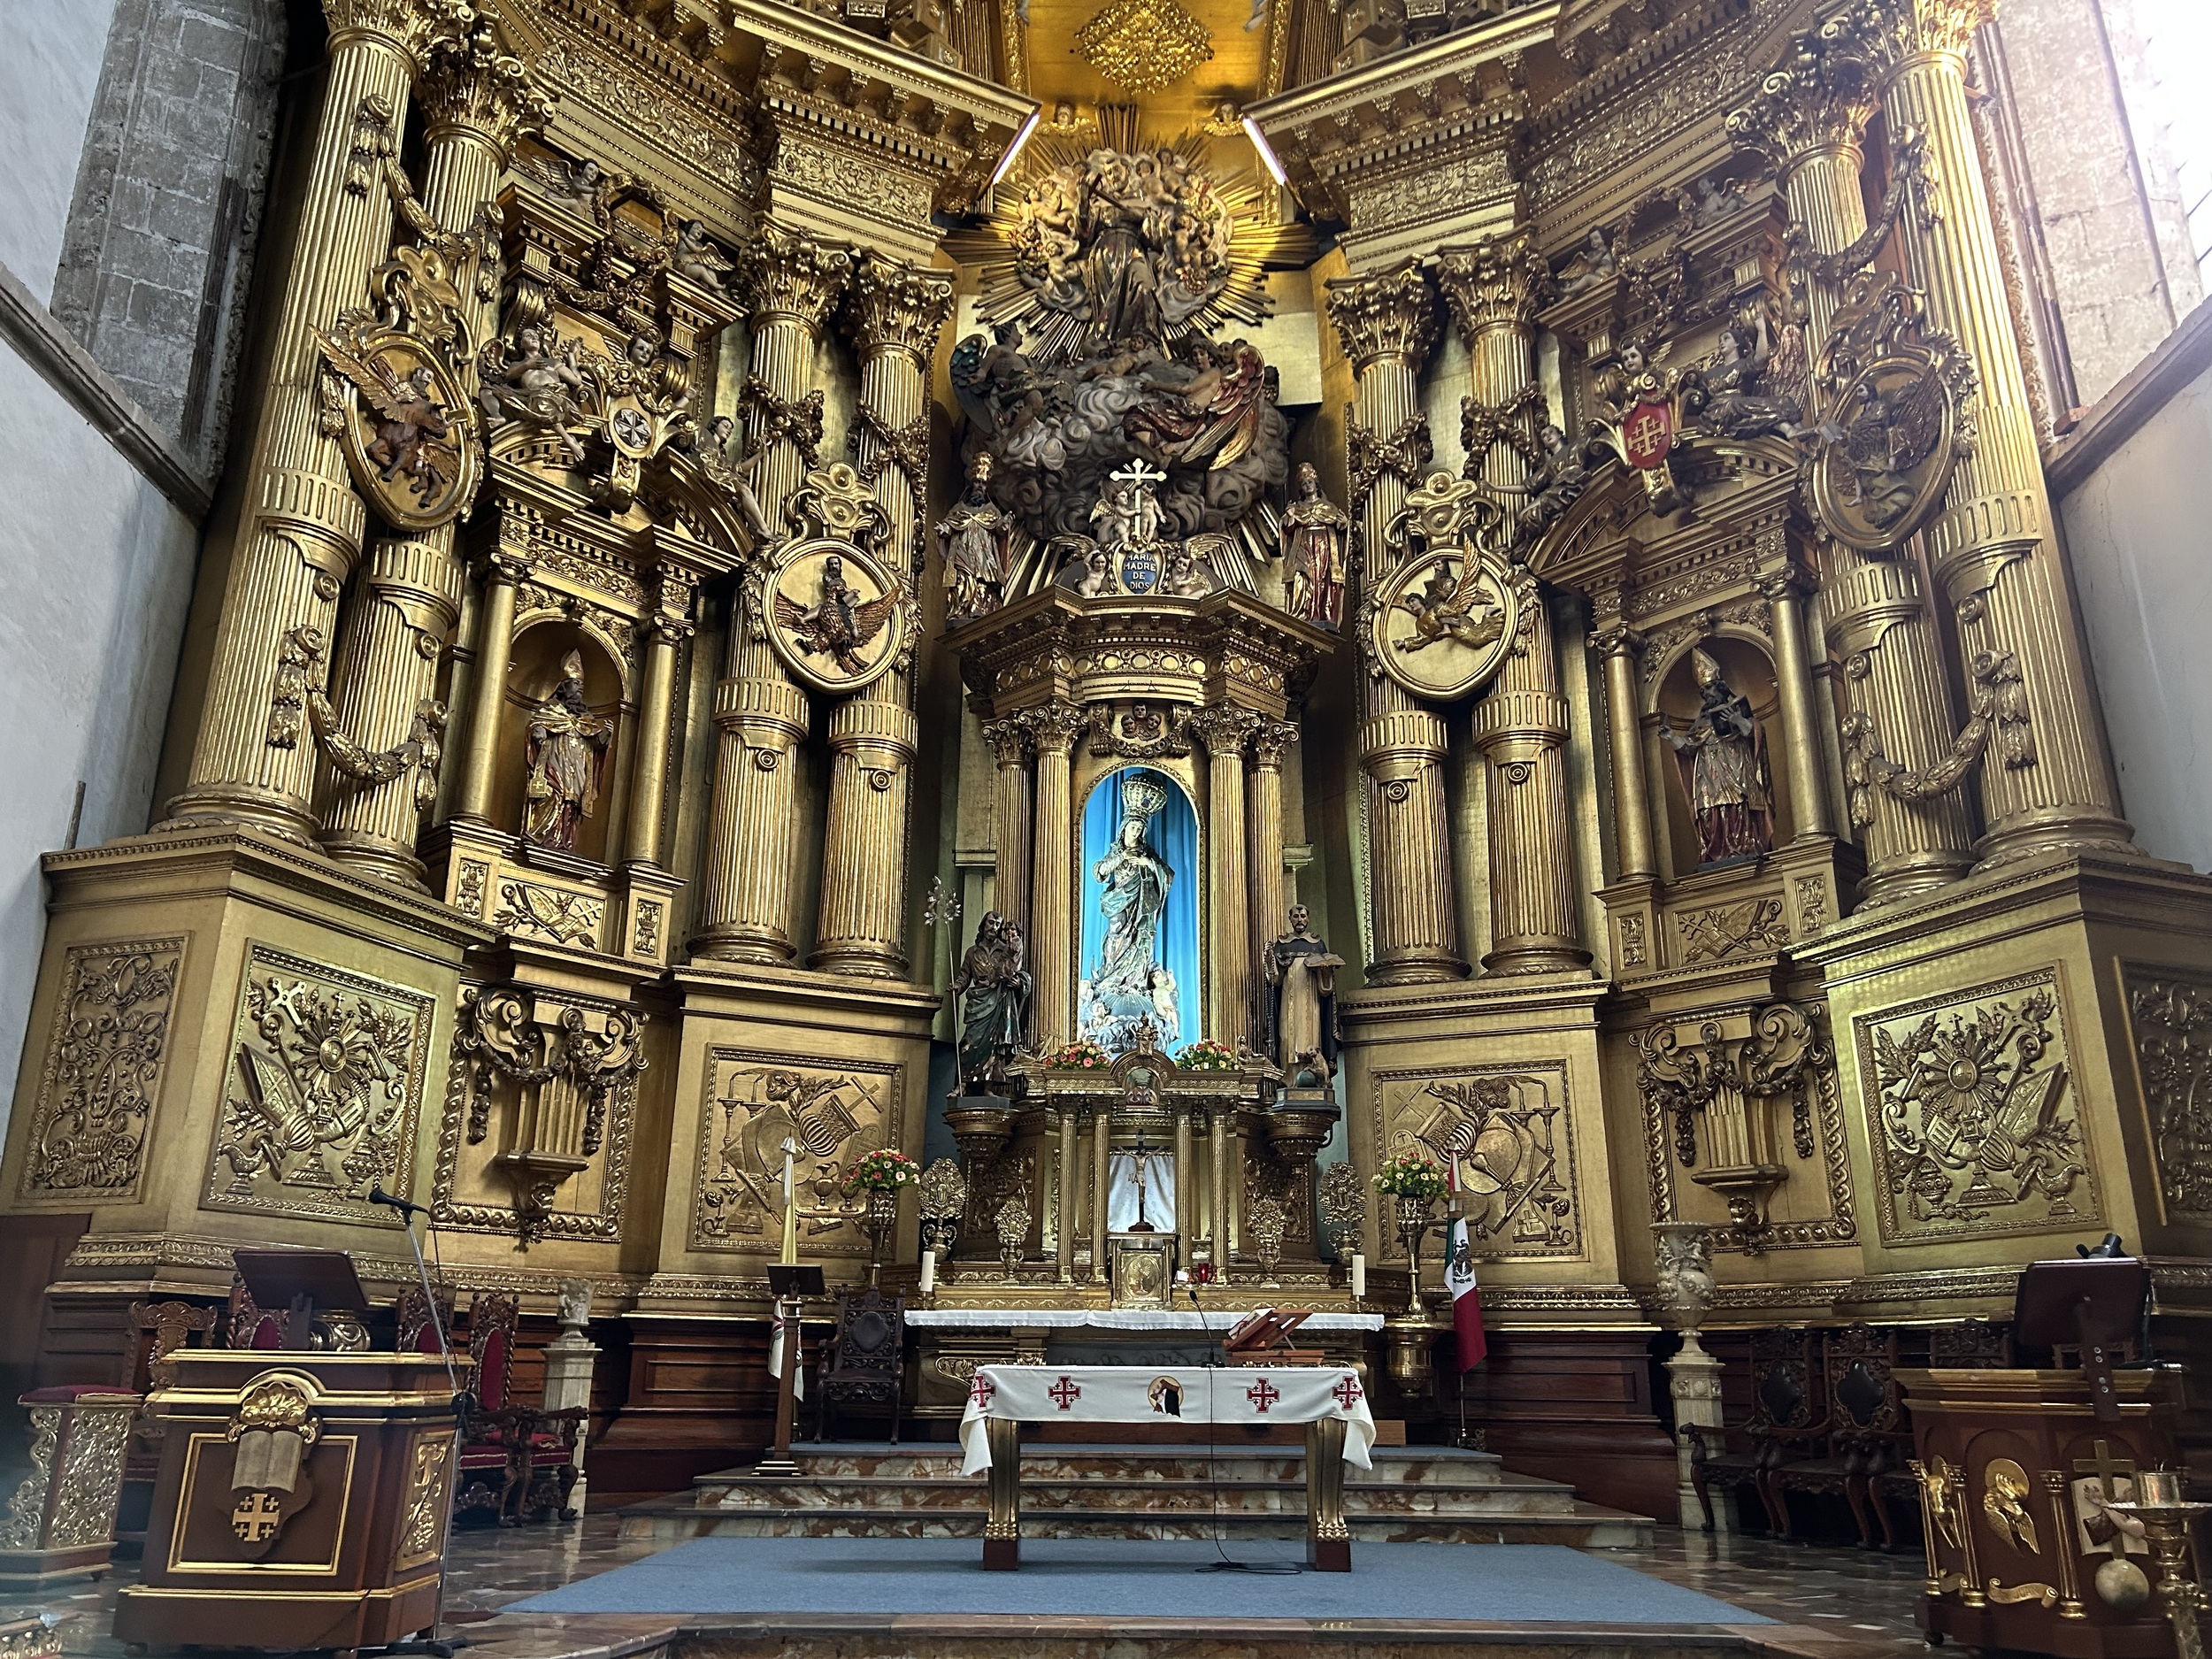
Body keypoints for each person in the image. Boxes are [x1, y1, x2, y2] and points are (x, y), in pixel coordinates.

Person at [1663, 647, 1773, 864]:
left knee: (1738, 805)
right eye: (1704, 691)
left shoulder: (1735, 711)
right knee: (1709, 810)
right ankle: (1715, 852)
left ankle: (1743, 847)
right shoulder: (1701, 722)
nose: (1708, 694)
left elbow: (1754, 733)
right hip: (1708, 776)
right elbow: (1689, 746)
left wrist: (1737, 721)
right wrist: (1671, 737)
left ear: (1721, 688)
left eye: (1711, 688)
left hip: (1735, 768)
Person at [523, 650, 613, 851]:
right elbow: (537, 724)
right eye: (575, 684)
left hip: (578, 767)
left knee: (573, 802)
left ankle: (566, 842)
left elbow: (596, 741)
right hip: (556, 762)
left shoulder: (586, 718)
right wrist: (538, 730)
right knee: (554, 794)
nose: (580, 688)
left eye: (581, 685)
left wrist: (607, 735)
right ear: (563, 687)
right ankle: (542, 836)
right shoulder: (550, 710)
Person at [1262, 903, 1344, 1081]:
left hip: (1311, 1001)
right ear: (1290, 919)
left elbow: (1326, 991)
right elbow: (1274, 981)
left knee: (1310, 1037)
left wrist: (1325, 972)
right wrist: (1269, 960)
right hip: (1288, 999)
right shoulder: (1282, 945)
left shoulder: (1317, 945)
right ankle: (1289, 1081)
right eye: (1296, 916)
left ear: (1308, 919)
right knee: (1287, 1038)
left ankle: (1312, 1079)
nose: (1300, 920)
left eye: (1303, 916)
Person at [1281, 461, 1349, 628]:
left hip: (1323, 546)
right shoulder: (1297, 508)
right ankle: (1304, 613)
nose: (1307, 485)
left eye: (1310, 482)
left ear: (1316, 484)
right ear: (1301, 488)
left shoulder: (1328, 507)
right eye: (1304, 483)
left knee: (1323, 579)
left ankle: (1322, 613)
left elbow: (1339, 527)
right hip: (1302, 545)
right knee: (1303, 577)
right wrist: (1290, 516)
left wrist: (1343, 524)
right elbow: (1288, 530)